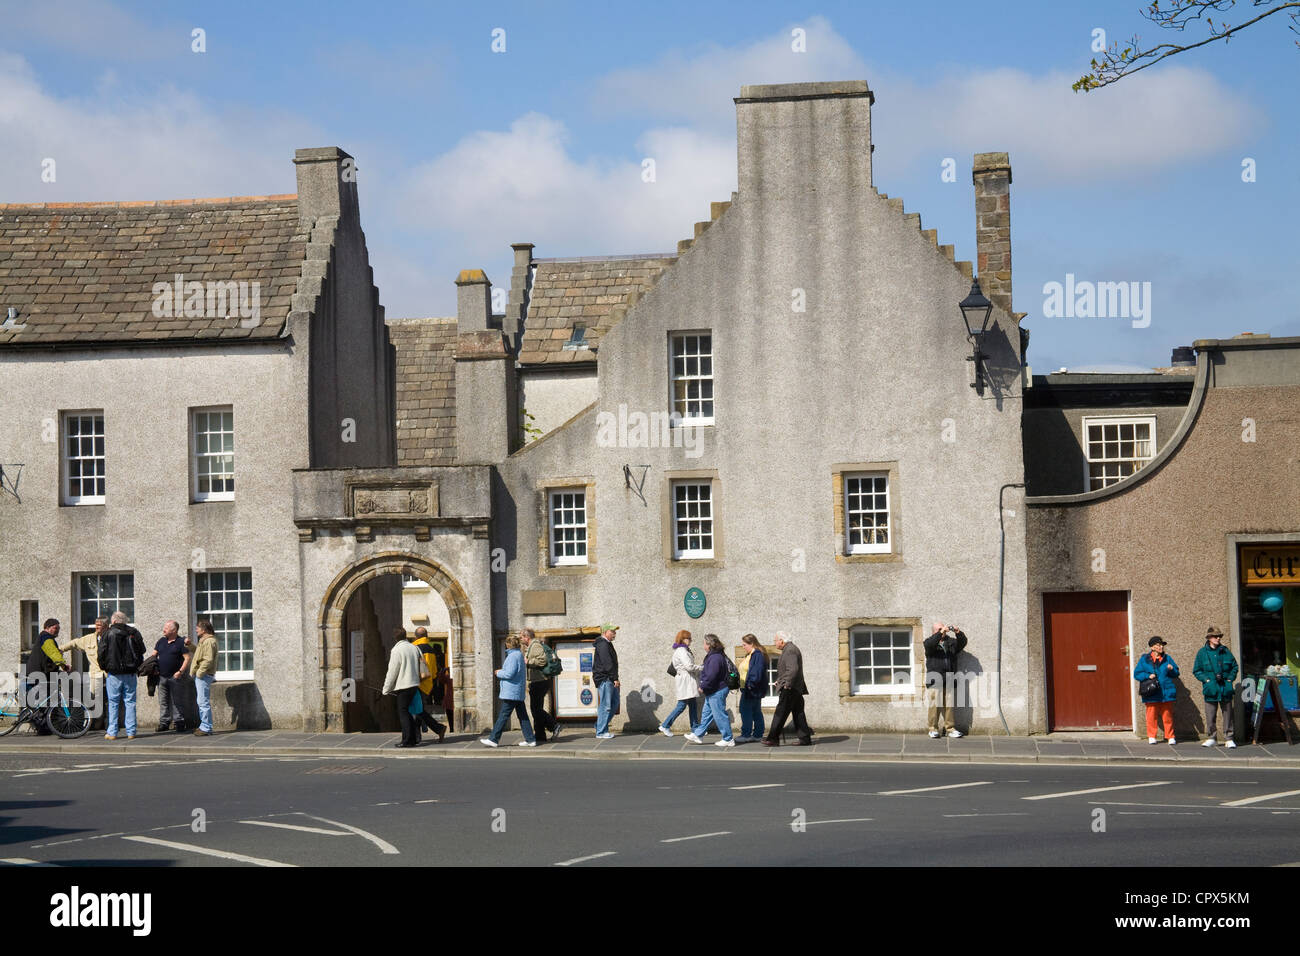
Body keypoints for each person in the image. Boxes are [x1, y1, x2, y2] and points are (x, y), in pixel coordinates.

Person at [97, 611, 145, 741]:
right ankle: (131, 731)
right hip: (130, 672)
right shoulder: (134, 632)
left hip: (114, 673)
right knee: (130, 702)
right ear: (125, 621)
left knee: (113, 703)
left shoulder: (108, 633)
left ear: (113, 621)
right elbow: (142, 650)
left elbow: (101, 653)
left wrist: (104, 667)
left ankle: (112, 732)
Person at [481, 634, 535, 747]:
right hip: (517, 691)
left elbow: (510, 673)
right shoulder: (518, 654)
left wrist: (498, 673)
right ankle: (530, 739)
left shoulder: (512, 656)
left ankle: (493, 739)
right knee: (523, 716)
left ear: (508, 644)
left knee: (503, 716)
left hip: (512, 692)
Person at [763, 632, 813, 747]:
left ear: (782, 640)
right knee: (798, 714)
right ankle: (805, 739)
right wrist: (780, 681)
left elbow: (793, 670)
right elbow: (788, 670)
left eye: (775, 640)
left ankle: (773, 739)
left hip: (790, 688)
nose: (774, 642)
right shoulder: (790, 649)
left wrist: (787, 684)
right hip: (795, 688)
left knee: (780, 713)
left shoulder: (790, 650)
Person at [685, 634, 735, 747]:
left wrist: (703, 686)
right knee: (706, 714)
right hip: (713, 690)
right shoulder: (713, 656)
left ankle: (728, 739)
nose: (703, 645)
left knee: (720, 715)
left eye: (704, 643)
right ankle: (698, 734)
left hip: (717, 690)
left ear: (709, 644)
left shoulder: (715, 657)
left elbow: (712, 675)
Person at [1193, 626, 1238, 748]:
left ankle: (1229, 738)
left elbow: (1234, 666)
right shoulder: (1202, 653)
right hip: (1211, 689)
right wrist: (1206, 680)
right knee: (1210, 715)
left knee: (1228, 714)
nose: (1218, 638)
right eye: (1215, 636)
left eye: (1219, 636)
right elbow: (1197, 670)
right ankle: (1212, 737)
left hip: (1225, 688)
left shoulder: (1225, 651)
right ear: (1209, 638)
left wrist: (1229, 679)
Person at [59, 617, 107, 730]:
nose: (97, 627)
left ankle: (109, 723)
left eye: (99, 625)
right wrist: (60, 649)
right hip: (96, 674)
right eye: (96, 625)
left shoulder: (111, 637)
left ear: (106, 626)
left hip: (110, 674)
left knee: (111, 700)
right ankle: (97, 723)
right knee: (95, 699)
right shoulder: (89, 639)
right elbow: (75, 643)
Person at [382, 628, 426, 748]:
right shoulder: (414, 647)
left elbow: (392, 671)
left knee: (403, 713)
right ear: (405, 635)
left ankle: (406, 740)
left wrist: (386, 689)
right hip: (415, 684)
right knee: (411, 712)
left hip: (403, 685)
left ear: (395, 638)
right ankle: (413, 738)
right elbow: (422, 663)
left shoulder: (397, 650)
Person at [923, 622, 968, 738]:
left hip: (949, 679)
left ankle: (950, 729)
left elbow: (962, 643)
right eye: (938, 629)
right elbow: (930, 643)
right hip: (935, 679)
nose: (942, 631)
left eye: (942, 628)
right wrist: (941, 632)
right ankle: (932, 729)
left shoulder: (951, 643)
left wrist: (958, 632)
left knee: (949, 706)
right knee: (934, 706)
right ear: (934, 632)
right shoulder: (929, 643)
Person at [1134, 636, 1180, 745]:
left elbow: (1176, 673)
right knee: (1151, 716)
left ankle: (1170, 736)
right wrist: (1147, 675)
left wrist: (1172, 669)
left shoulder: (1168, 658)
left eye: (1162, 645)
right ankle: (1151, 736)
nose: (1161, 647)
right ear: (1152, 647)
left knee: (1167, 716)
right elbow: (1137, 674)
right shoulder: (1144, 659)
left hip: (1166, 692)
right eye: (1159, 645)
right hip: (1152, 692)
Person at [26, 619, 70, 729]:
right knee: (43, 700)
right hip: (39, 673)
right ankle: (42, 727)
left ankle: (46, 725)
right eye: (55, 628)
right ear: (47, 627)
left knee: (44, 699)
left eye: (58, 629)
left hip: (40, 672)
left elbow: (49, 654)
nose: (57, 631)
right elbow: (53, 653)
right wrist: (63, 666)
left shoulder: (44, 637)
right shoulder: (46, 637)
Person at [658, 630, 701, 737]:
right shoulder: (681, 651)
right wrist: (701, 667)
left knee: (693, 704)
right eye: (689, 638)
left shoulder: (683, 650)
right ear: (683, 639)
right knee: (682, 705)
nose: (690, 640)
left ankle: (695, 728)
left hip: (686, 680)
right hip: (685, 681)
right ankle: (665, 725)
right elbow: (689, 666)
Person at [151, 620, 192, 732]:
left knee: (176, 700)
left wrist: (180, 671)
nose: (163, 629)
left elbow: (187, 658)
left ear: (174, 630)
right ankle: (164, 722)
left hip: (176, 677)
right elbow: (153, 656)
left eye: (166, 627)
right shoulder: (161, 641)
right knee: (163, 701)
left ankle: (179, 722)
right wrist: (153, 668)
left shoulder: (180, 642)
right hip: (162, 677)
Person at [522, 628, 560, 743]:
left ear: (526, 637)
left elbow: (542, 661)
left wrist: (528, 662)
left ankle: (554, 725)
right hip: (537, 681)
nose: (520, 639)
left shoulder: (535, 645)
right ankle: (540, 736)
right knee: (536, 709)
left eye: (521, 637)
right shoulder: (532, 646)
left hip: (540, 681)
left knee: (536, 709)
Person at [411, 627, 447, 742]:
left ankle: (434, 730)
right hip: (427, 684)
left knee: (415, 711)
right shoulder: (431, 649)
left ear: (416, 636)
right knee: (418, 710)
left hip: (417, 683)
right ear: (427, 635)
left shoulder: (414, 648)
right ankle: (421, 735)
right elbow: (433, 670)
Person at [189, 619, 219, 736]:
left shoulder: (209, 641)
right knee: (201, 701)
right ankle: (204, 725)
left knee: (203, 702)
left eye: (198, 627)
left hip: (204, 675)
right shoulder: (204, 641)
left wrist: (200, 672)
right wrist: (190, 646)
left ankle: (206, 727)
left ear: (204, 629)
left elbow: (208, 659)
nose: (196, 629)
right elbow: (199, 653)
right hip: (203, 675)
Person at [592, 623, 620, 739]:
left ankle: (599, 725)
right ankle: (601, 732)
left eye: (615, 631)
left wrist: (615, 678)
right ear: (605, 632)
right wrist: (615, 678)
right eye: (612, 631)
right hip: (605, 678)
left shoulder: (607, 644)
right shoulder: (602, 644)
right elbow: (607, 663)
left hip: (609, 678)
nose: (614, 633)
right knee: (606, 706)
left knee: (614, 703)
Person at [738, 634, 767, 743]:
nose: (743, 647)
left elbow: (756, 672)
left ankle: (746, 735)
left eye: (744, 645)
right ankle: (758, 734)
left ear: (752, 644)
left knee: (745, 711)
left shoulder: (757, 655)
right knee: (755, 711)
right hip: (749, 688)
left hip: (751, 688)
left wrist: (750, 685)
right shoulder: (751, 654)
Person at [436, 652, 455, 732]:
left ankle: (452, 728)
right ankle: (451, 728)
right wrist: (444, 670)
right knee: (449, 714)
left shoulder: (450, 678)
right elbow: (441, 678)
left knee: (451, 714)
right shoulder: (448, 678)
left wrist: (444, 670)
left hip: (451, 698)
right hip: (449, 698)